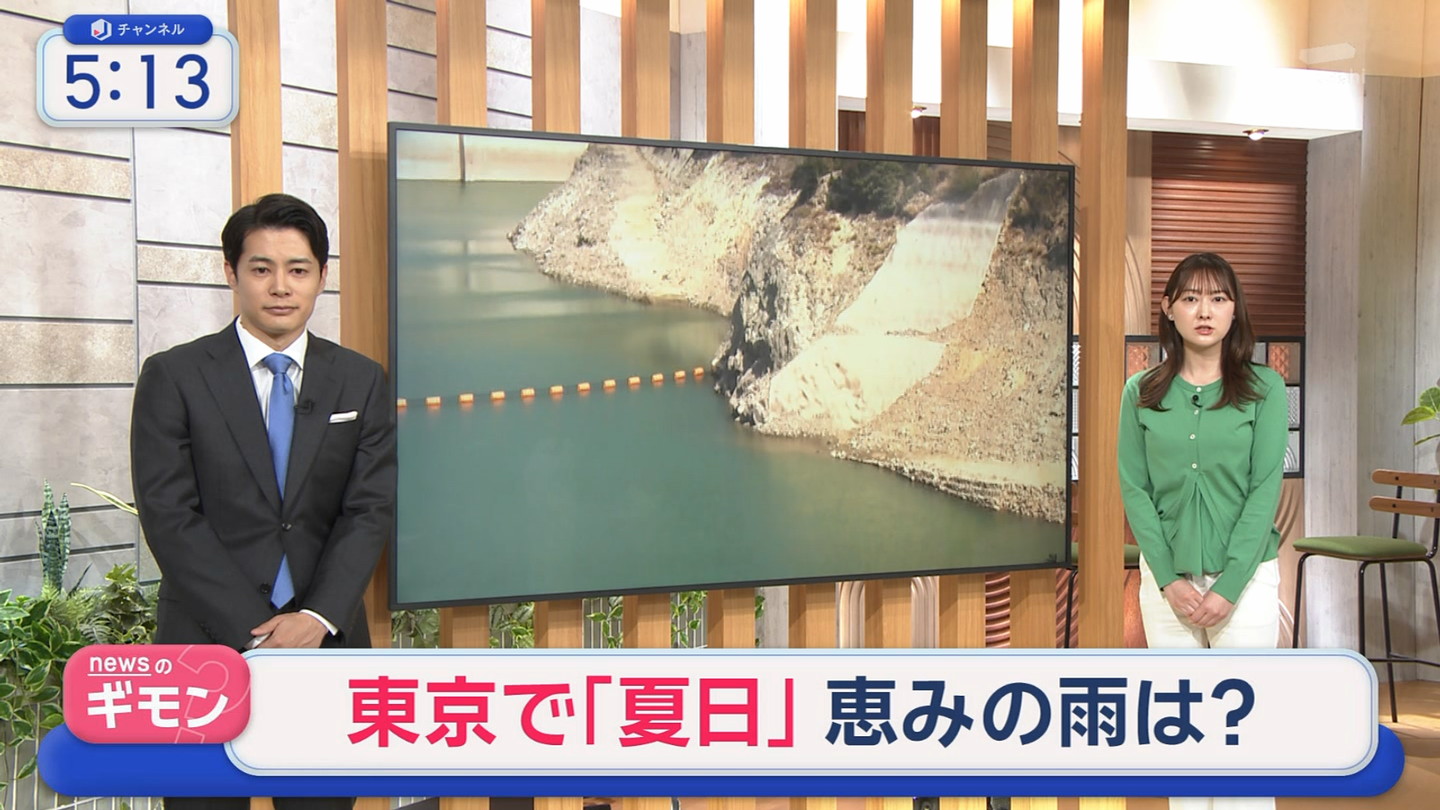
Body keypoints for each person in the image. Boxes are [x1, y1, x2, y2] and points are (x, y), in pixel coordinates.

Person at [130, 193, 395, 810]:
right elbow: (169, 515)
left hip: (324, 642)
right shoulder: (175, 376)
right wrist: (257, 634)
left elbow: (369, 508)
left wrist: (316, 618)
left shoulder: (361, 380)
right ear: (231, 273)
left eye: (298, 269)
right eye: (261, 268)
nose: (281, 286)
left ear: (322, 276)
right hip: (204, 645)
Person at [1117, 252, 1287, 810]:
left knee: (1241, 747)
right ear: (1169, 309)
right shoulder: (1139, 392)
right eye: (1191, 298)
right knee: (1185, 746)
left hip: (1247, 582)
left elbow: (1264, 491)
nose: (1205, 311)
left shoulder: (1265, 389)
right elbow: (1135, 489)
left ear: (1235, 310)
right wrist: (1168, 580)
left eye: (1218, 298)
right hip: (1167, 585)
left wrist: (1230, 586)